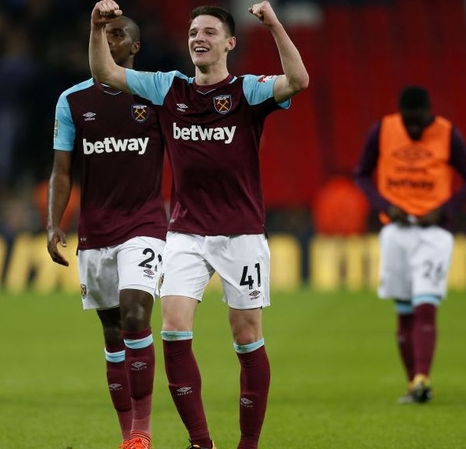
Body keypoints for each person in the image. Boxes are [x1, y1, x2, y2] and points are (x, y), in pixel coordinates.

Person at [89, 2, 309, 448]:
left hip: (241, 233)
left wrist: (273, 25)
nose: (198, 38)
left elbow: (300, 81)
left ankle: (248, 443)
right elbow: (106, 74)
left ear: (229, 43)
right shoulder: (169, 89)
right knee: (171, 328)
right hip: (185, 234)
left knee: (246, 337)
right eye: (192, 32)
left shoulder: (248, 91)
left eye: (209, 31)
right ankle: (201, 443)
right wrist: (97, 27)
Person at [46, 15, 166, 449]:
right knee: (113, 334)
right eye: (104, 33)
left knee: (136, 313)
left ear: (135, 48)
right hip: (95, 232)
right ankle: (126, 436)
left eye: (119, 35)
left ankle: (142, 432)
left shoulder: (155, 94)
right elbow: (62, 170)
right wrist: (53, 221)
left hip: (146, 226)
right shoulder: (72, 100)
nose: (110, 40)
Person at [353, 86, 466, 404]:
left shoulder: (447, 133)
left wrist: (445, 211)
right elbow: (361, 175)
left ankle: (423, 377)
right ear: (401, 114)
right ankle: (414, 384)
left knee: (425, 304)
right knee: (403, 309)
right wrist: (384, 205)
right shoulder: (383, 129)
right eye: (408, 122)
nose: (413, 128)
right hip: (395, 230)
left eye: (419, 122)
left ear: (429, 113)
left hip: (433, 232)